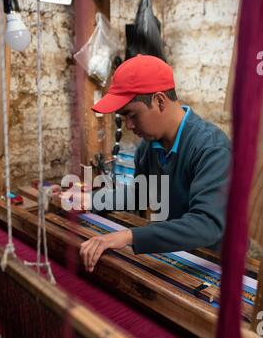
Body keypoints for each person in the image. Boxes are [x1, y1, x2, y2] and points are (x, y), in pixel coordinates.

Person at [80, 54, 231, 272]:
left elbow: (206, 225)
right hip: (175, 254)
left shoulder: (212, 149)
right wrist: (88, 200)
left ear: (159, 101)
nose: (129, 125)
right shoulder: (148, 147)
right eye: (123, 118)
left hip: (213, 264)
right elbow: (142, 195)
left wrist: (128, 236)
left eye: (132, 115)